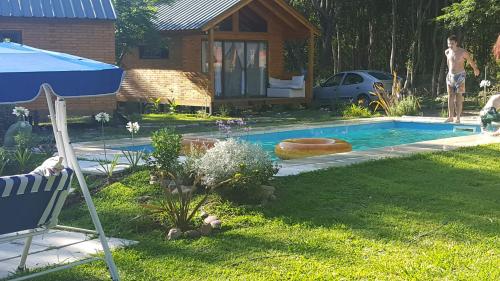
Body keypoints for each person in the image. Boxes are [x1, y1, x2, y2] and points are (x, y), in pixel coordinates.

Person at [444, 35, 480, 124]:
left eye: (452, 43)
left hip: (460, 76)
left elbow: (471, 61)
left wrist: (475, 69)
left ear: (456, 43)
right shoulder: (447, 52)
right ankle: (450, 117)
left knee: (458, 97)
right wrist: (449, 74)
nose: (450, 45)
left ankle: (458, 118)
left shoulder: (463, 52)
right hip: (450, 76)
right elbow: (449, 63)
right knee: (450, 96)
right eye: (449, 44)